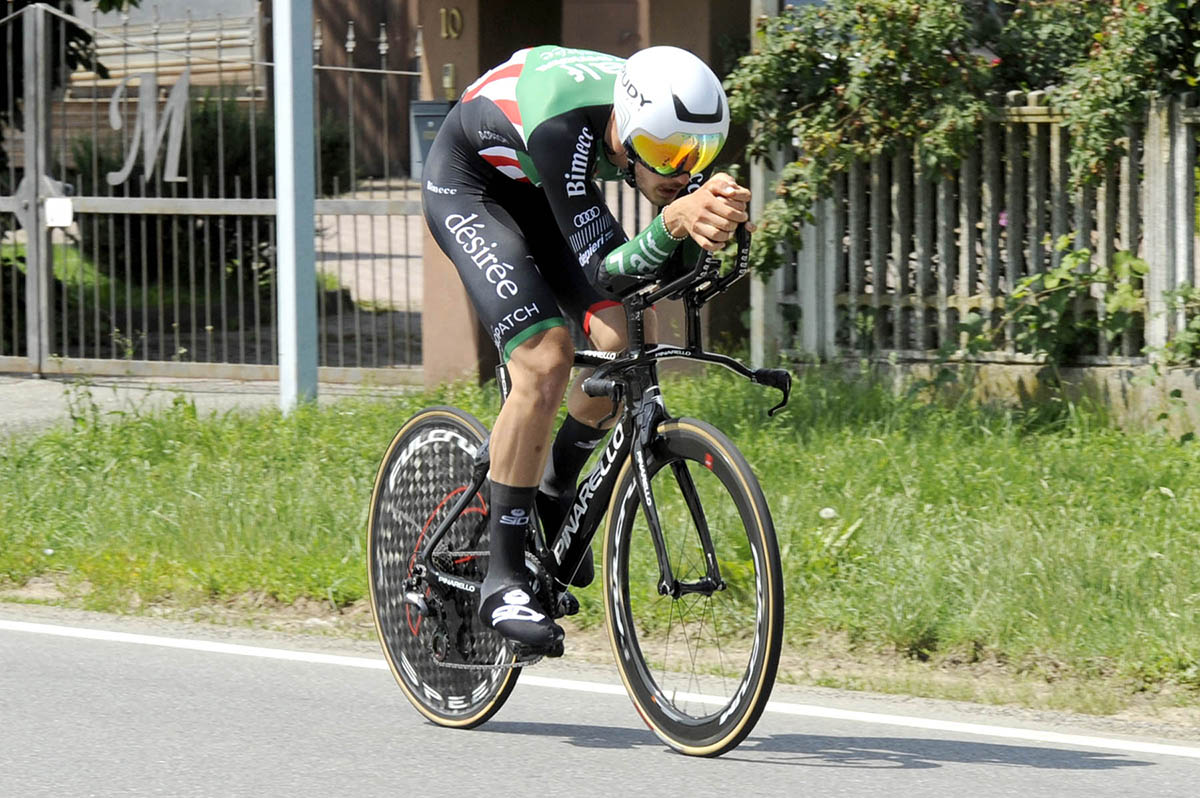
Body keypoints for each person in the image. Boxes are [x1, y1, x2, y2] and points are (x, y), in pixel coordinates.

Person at [422, 44, 751, 652]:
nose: (682, 171)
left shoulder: (667, 133)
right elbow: (605, 269)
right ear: (625, 130)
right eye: (667, 157)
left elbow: (644, 275)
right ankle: (501, 579)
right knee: (545, 360)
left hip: (543, 187)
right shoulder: (564, 124)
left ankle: (552, 488)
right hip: (474, 184)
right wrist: (675, 222)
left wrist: (711, 225)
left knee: (625, 336)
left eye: (698, 157)